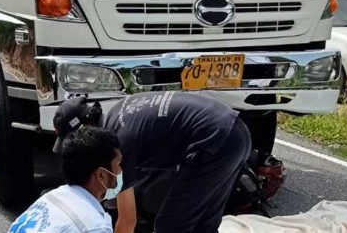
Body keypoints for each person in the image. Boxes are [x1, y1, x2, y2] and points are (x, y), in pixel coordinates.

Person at [53, 92, 252, 233]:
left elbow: (128, 218)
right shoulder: (117, 114)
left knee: (169, 225)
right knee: (204, 224)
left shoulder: (118, 144)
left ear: (86, 128)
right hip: (234, 133)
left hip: (215, 142)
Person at [8, 127, 121, 233]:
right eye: (118, 163)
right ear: (101, 175)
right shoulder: (94, 226)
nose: (121, 170)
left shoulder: (51, 197)